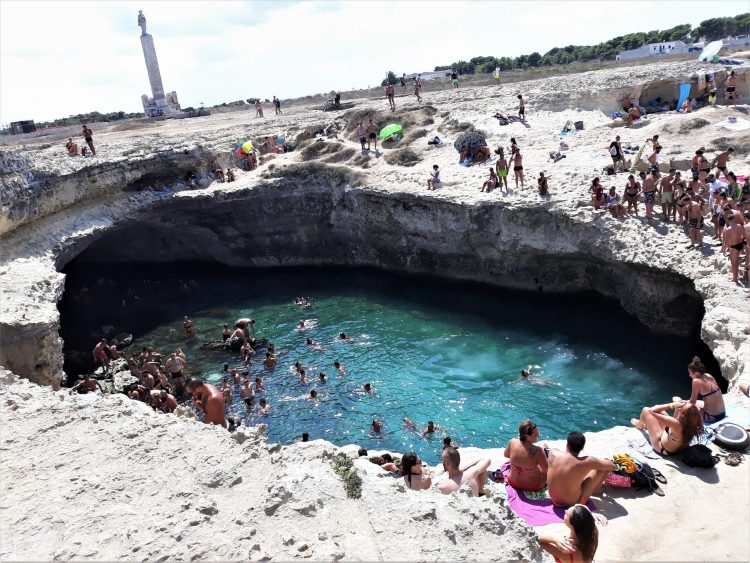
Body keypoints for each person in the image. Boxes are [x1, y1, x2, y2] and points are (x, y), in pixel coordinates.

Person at [546, 432, 615, 508]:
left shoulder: (553, 453)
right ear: (582, 448)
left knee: (585, 470)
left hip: (554, 500)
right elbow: (611, 466)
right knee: (601, 468)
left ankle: (595, 488)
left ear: (567, 444)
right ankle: (597, 489)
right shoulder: (587, 461)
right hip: (575, 504)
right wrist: (610, 461)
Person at [631, 402, 703, 456]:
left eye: (683, 407)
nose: (682, 405)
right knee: (660, 411)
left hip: (661, 446)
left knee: (646, 410)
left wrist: (672, 405)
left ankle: (640, 425)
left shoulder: (676, 424)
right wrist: (677, 410)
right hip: (676, 447)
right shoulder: (694, 422)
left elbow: (652, 411)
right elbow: (673, 422)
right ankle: (647, 424)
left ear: (683, 415)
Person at [536, 504, 601, 563]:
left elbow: (537, 539)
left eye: (567, 514)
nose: (565, 511)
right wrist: (590, 516)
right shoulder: (594, 533)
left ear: (572, 525)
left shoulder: (567, 548)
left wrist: (554, 540)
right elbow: (583, 507)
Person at [674, 356, 726, 423]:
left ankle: (674, 425)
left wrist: (681, 402)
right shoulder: (708, 376)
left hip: (711, 417)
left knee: (682, 407)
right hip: (722, 413)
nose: (689, 375)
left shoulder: (696, 381)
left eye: (690, 373)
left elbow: (692, 402)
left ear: (695, 373)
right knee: (694, 402)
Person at [503, 420, 548, 491]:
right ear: (527, 436)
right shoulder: (538, 451)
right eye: (536, 434)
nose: (538, 435)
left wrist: (520, 460)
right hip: (532, 486)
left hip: (513, 482)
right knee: (543, 445)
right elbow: (546, 470)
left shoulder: (512, 441)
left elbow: (506, 455)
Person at [723, 211, 748, 283]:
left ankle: (734, 279)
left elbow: (726, 241)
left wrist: (725, 248)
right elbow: (744, 236)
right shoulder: (739, 226)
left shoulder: (728, 229)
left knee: (733, 263)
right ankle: (736, 276)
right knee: (737, 261)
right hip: (740, 244)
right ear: (734, 219)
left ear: (728, 220)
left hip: (733, 246)